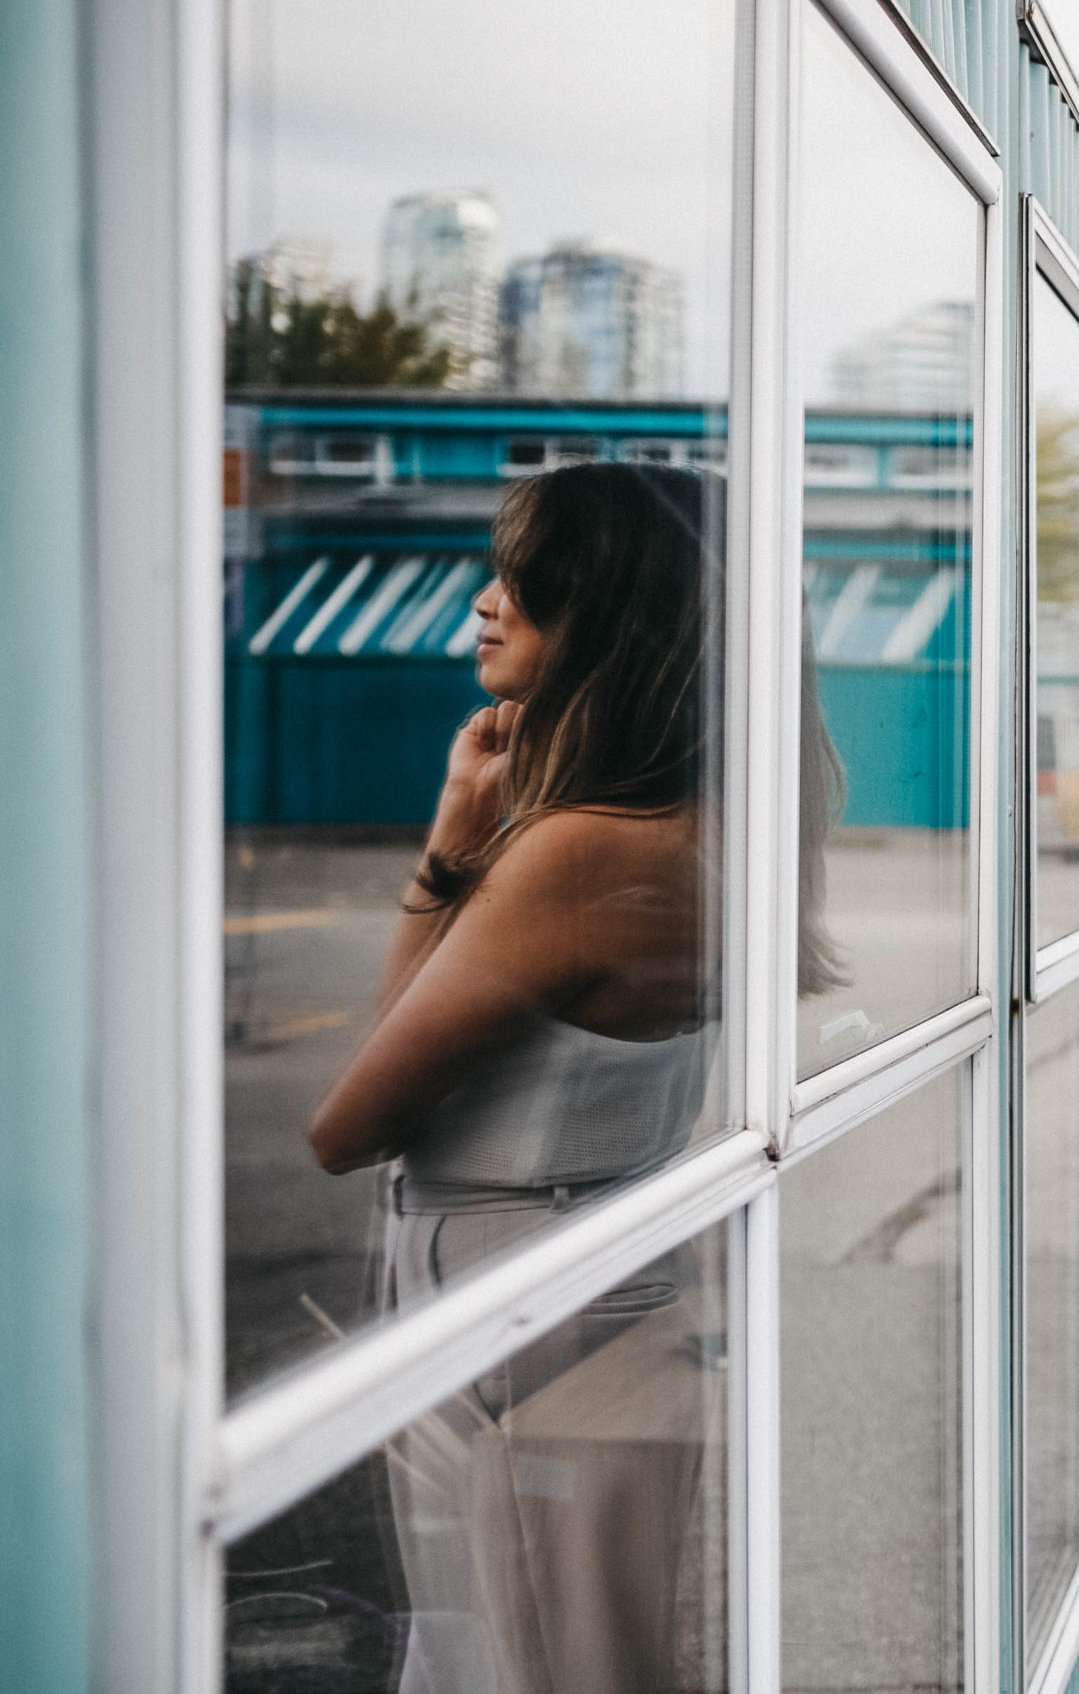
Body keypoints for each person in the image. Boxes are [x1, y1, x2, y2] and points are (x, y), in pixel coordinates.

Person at [308, 461, 726, 1694]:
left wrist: (452, 837)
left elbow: (354, 1120)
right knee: (576, 1637)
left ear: (603, 607)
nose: (485, 603)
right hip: (593, 1276)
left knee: (505, 1644)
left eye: (521, 579)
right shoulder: (690, 818)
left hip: (505, 1295)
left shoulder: (581, 852)